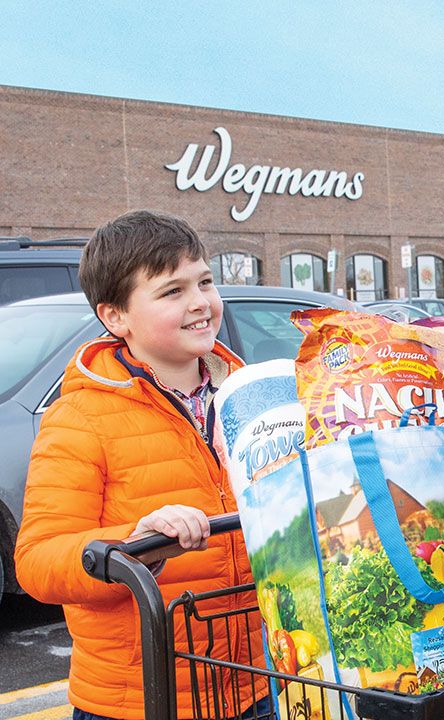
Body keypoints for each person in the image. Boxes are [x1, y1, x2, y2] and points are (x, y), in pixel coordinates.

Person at [15, 211, 270, 720]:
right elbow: (39, 560)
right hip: (142, 698)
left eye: (205, 281)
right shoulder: (81, 417)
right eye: (172, 291)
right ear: (115, 317)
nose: (200, 302)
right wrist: (136, 542)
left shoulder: (253, 399)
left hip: (261, 686)